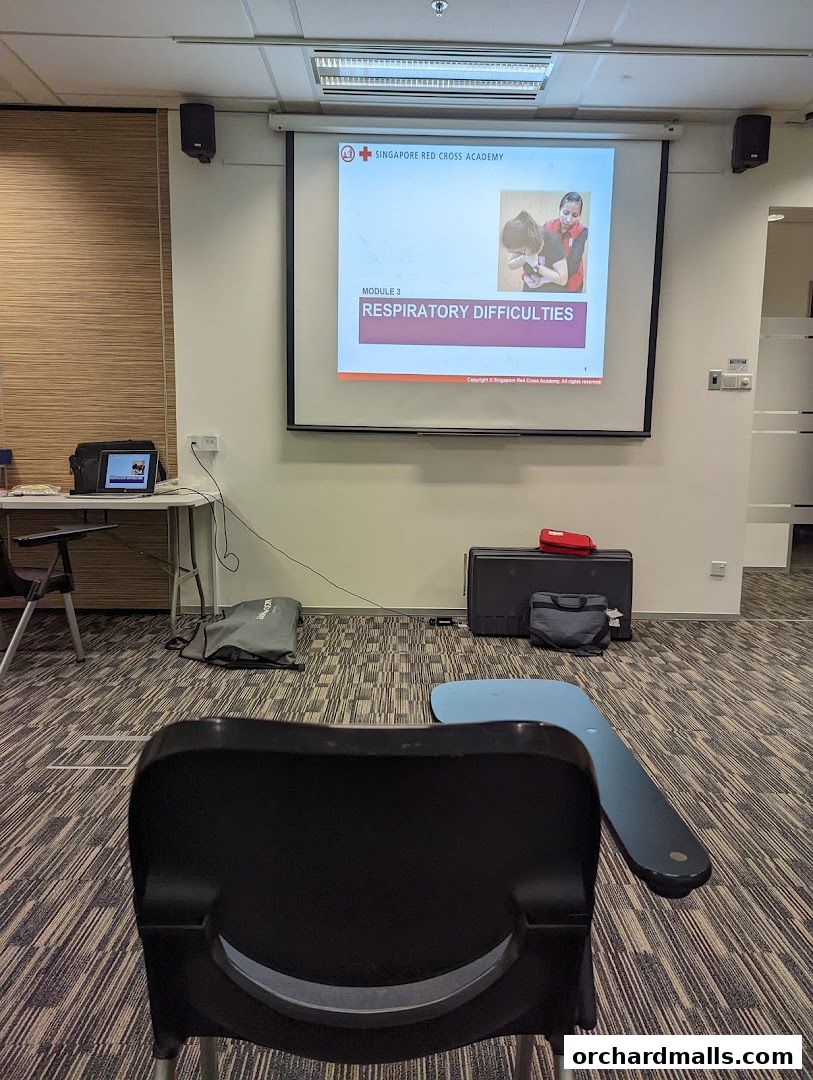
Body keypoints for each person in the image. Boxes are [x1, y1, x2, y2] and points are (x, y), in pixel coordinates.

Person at [501, 210, 568, 292]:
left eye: (519, 251)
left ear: (530, 242)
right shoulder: (519, 244)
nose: (517, 254)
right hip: (530, 288)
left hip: (552, 293)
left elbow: (563, 280)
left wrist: (535, 265)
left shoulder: (553, 241)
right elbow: (510, 264)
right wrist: (525, 258)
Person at [544, 192, 588, 292]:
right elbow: (539, 253)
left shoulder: (582, 231)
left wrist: (549, 278)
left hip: (571, 280)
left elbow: (573, 263)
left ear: (579, 216)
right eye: (566, 213)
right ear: (559, 210)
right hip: (551, 276)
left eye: (574, 215)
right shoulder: (548, 225)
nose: (568, 219)